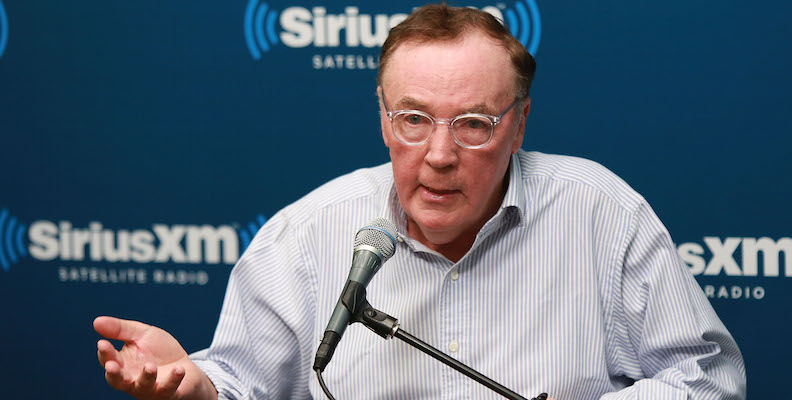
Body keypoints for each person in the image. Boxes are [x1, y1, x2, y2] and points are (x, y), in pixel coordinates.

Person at [94, 4, 746, 399]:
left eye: (473, 124)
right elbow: (241, 386)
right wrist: (195, 389)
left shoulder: (602, 215)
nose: (438, 154)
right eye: (413, 119)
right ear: (383, 120)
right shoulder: (307, 235)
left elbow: (708, 377)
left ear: (518, 125)